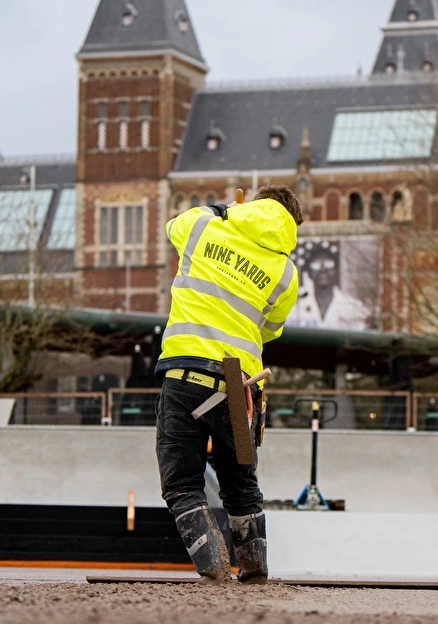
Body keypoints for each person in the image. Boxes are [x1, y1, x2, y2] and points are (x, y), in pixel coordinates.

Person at [155, 185, 302, 584]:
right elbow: (270, 331)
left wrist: (228, 211)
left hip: (186, 373)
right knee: (240, 483)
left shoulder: (204, 226)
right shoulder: (286, 273)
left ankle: (215, 568)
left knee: (183, 483)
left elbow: (173, 226)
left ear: (250, 205)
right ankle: (254, 568)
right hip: (241, 388)